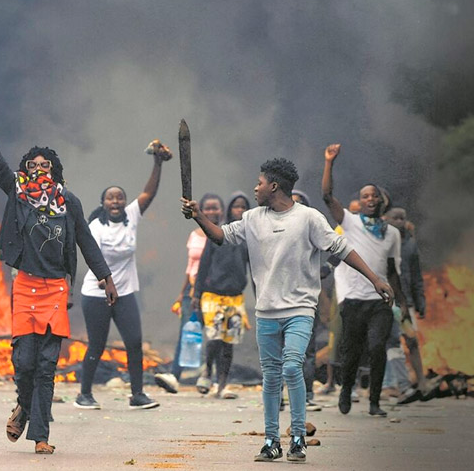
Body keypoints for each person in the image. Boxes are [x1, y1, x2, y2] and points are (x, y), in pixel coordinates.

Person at [181, 156, 392, 464]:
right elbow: (221, 236)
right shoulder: (252, 218)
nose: (255, 188)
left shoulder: (309, 218)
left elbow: (342, 248)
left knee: (291, 367)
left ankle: (297, 438)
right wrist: (198, 216)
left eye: (260, 183)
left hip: (300, 310)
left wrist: (375, 279)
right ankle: (271, 441)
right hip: (266, 312)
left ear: (274, 186)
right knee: (270, 377)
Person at [0, 89, 117, 455]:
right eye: (32, 164)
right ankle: (23, 403)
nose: (39, 168)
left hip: (55, 290)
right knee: (24, 362)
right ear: (25, 170)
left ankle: (41, 436)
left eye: (45, 164)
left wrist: (106, 277)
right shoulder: (18, 194)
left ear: (55, 169)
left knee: (47, 366)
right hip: (25, 286)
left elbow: (86, 241)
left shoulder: (69, 202)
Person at [74, 140, 172, 411]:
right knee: (97, 345)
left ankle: (137, 394)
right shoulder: (96, 227)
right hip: (97, 293)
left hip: (125, 292)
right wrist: (106, 282)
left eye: (119, 197)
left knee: (134, 343)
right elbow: (93, 259)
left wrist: (158, 163)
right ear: (103, 203)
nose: (116, 201)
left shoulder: (132, 216)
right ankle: (84, 394)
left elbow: (149, 193)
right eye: (110, 198)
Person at [322, 144, 403, 418]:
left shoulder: (392, 233)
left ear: (381, 201)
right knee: (352, 350)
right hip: (352, 298)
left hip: (380, 300)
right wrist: (329, 162)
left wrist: (401, 303)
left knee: (378, 347)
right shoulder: (350, 221)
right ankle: (346, 389)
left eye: (373, 195)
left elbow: (393, 270)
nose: (369, 199)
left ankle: (374, 401)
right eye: (364, 196)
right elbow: (327, 196)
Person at [192, 191, 250, 400]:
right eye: (236, 206)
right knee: (215, 337)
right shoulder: (219, 233)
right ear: (229, 209)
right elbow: (204, 265)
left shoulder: (250, 237)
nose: (240, 210)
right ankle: (207, 372)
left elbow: (255, 269)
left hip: (235, 297)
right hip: (213, 294)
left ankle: (222, 385)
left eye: (244, 207)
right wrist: (197, 294)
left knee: (228, 342)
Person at [171, 194, 222, 381]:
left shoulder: (223, 234)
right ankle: (174, 376)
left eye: (215, 207)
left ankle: (213, 378)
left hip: (214, 291)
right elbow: (190, 266)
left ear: (222, 210)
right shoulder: (194, 235)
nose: (211, 211)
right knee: (187, 332)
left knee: (216, 335)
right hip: (192, 290)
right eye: (207, 208)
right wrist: (181, 292)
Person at [384, 208, 430, 403]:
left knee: (411, 340)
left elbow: (416, 276)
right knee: (390, 343)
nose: (399, 221)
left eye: (402, 218)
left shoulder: (410, 245)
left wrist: (420, 301)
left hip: (406, 303)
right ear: (386, 220)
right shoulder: (381, 241)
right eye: (395, 218)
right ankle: (395, 385)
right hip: (385, 302)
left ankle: (421, 383)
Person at [291, 189, 324, 412]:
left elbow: (338, 247)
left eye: (300, 203)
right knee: (281, 351)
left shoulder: (313, 231)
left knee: (307, 351)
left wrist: (327, 268)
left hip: (307, 301)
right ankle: (280, 395)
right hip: (279, 301)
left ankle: (307, 394)